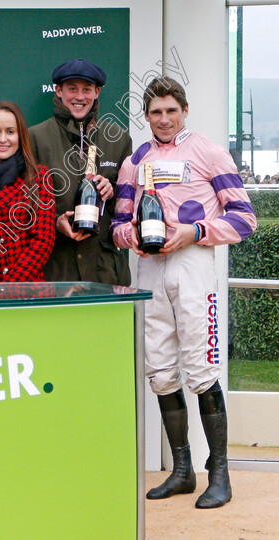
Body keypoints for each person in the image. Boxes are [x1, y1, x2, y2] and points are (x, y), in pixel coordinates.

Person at [112, 76, 257, 509]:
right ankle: (181, 471)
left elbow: (245, 218)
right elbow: (118, 224)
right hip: (150, 266)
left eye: (171, 110)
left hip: (193, 264)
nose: (164, 119)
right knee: (158, 369)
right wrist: (130, 235)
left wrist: (194, 231)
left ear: (185, 111)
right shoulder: (134, 161)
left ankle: (220, 474)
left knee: (200, 367)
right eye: (155, 112)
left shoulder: (209, 152)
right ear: (146, 115)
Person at [29, 58, 132, 285]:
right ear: (58, 91)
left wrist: (112, 191)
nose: (79, 96)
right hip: (55, 270)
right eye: (72, 89)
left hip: (104, 271)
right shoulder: (35, 137)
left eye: (86, 89)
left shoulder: (119, 138)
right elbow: (25, 205)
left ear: (97, 92)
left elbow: (131, 204)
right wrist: (54, 222)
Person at [0, 101, 55, 282]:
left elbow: (43, 241)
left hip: (24, 291)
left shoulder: (38, 177)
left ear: (20, 136)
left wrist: (9, 287)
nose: (2, 139)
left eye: (10, 132)